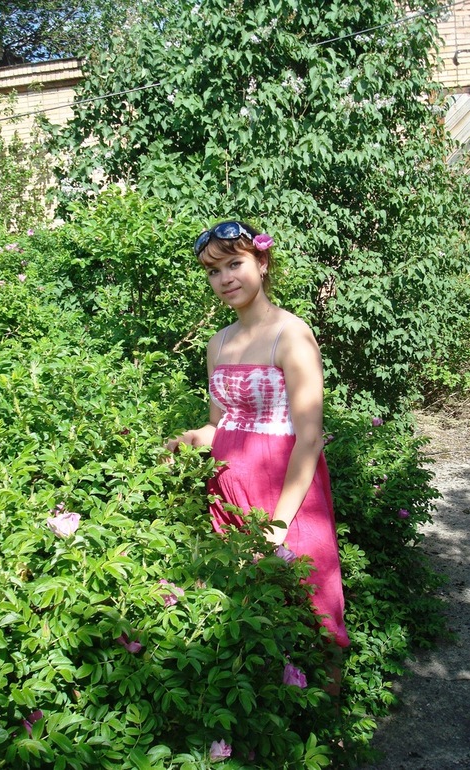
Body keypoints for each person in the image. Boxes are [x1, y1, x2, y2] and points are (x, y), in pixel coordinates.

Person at [167, 220, 350, 652]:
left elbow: (310, 439)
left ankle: (328, 695)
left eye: (235, 264)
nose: (225, 278)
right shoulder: (218, 344)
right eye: (213, 271)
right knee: (246, 616)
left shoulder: (291, 335)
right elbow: (220, 424)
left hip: (285, 495)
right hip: (228, 496)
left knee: (311, 611)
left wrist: (276, 528)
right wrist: (189, 439)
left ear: (262, 262)